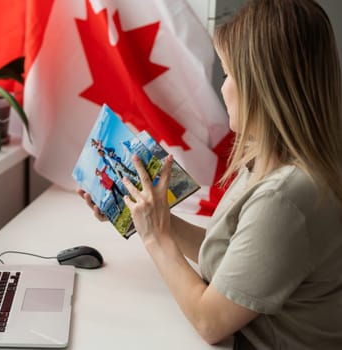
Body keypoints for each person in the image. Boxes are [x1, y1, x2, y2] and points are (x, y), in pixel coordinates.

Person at [77, 0, 342, 348]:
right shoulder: (273, 163)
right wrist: (151, 217)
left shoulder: (286, 197)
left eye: (229, 74)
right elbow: (239, 262)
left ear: (261, 86)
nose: (222, 86)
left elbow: (210, 321)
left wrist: (157, 238)